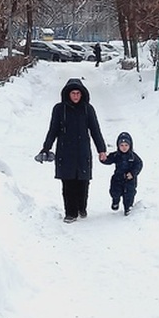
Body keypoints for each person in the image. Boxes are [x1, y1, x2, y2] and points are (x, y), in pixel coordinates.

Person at [38, 78, 107, 222]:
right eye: (73, 93)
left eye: (78, 93)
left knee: (83, 181)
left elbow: (95, 130)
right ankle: (70, 212)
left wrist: (101, 149)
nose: (75, 96)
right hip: (65, 151)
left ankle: (81, 206)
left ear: (82, 94)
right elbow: (53, 130)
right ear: (67, 94)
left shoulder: (88, 109)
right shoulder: (59, 109)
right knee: (68, 182)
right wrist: (46, 147)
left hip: (83, 151)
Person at [103, 131, 143, 215]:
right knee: (115, 192)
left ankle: (128, 208)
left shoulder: (133, 156)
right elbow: (108, 160)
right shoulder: (116, 155)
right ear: (118, 146)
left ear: (130, 145)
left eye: (126, 145)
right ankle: (115, 201)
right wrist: (103, 159)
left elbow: (139, 164)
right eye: (121, 145)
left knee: (129, 194)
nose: (124, 147)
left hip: (130, 179)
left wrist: (132, 173)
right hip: (118, 178)